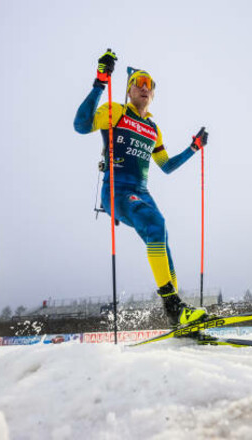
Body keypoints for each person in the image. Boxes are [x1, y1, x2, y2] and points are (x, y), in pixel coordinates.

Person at [74, 49, 209, 327]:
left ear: (154, 94)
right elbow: (81, 125)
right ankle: (174, 308)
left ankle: (176, 315)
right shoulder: (116, 111)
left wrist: (194, 148)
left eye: (149, 85)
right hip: (117, 191)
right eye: (138, 83)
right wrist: (100, 82)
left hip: (141, 192)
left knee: (161, 235)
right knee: (154, 222)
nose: (144, 87)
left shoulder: (153, 129)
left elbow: (167, 166)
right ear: (129, 90)